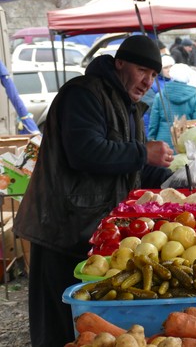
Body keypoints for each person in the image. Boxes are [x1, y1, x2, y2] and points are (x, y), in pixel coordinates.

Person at [13, 35, 174, 347]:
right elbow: (85, 152)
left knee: (88, 325)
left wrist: (175, 178)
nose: (148, 81)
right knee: (60, 322)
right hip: (62, 226)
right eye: (143, 70)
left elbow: (127, 165)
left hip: (95, 229)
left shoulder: (126, 104)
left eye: (154, 75)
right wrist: (143, 152)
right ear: (120, 63)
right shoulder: (83, 94)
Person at [148, 63, 196, 149]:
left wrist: (151, 139)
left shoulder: (160, 96)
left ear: (172, 75)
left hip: (163, 143)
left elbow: (153, 123)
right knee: (183, 162)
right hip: (186, 143)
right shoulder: (195, 96)